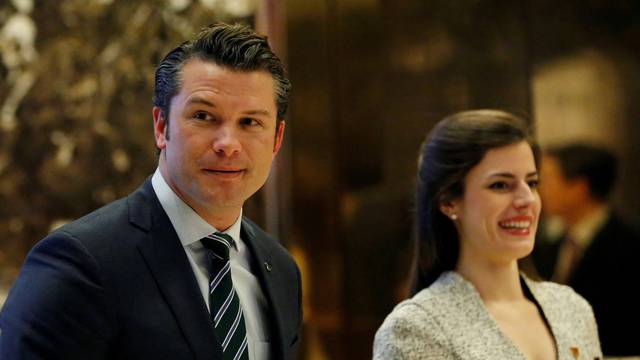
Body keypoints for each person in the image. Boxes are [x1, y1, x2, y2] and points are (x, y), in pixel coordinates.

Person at [0, 23, 302, 360]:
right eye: (203, 116)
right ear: (161, 126)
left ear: (276, 139)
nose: (228, 144)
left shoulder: (281, 270)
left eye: (250, 122)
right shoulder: (80, 263)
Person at [373, 110, 602, 359]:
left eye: (532, 183)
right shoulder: (417, 328)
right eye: (500, 185)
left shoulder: (572, 309)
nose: (526, 199)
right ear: (449, 202)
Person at [531, 143, 640, 356]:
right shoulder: (545, 242)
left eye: (547, 180)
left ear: (579, 188)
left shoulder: (631, 244)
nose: (538, 190)